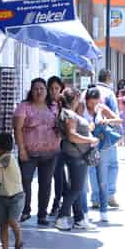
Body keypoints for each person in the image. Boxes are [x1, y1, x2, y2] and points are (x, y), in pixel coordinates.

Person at [13, 78, 60, 226]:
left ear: (46, 91)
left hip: (50, 153)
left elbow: (61, 125)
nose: (39, 91)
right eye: (36, 89)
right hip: (28, 152)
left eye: (42, 88)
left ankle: (42, 215)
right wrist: (21, 149)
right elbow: (17, 129)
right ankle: (25, 211)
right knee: (25, 181)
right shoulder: (23, 107)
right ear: (31, 91)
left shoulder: (54, 106)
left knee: (45, 184)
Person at [54, 88, 99, 231]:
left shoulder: (68, 113)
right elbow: (72, 135)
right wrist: (90, 139)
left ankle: (79, 218)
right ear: (75, 98)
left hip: (76, 154)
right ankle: (61, 217)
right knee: (76, 188)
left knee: (77, 189)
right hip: (77, 155)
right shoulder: (69, 114)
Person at [78, 86, 122, 222]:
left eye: (96, 102)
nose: (93, 106)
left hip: (102, 146)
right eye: (91, 103)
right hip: (85, 146)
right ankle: (84, 212)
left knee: (102, 180)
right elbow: (81, 124)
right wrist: (91, 121)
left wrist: (106, 120)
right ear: (86, 100)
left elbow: (119, 120)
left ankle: (104, 211)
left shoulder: (102, 107)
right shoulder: (81, 107)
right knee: (83, 181)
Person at [92, 70, 121, 209]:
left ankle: (96, 197)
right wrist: (118, 134)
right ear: (108, 78)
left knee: (93, 165)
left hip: (91, 133)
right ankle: (109, 194)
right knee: (112, 164)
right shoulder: (109, 93)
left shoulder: (90, 90)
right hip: (106, 133)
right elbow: (115, 115)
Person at [0, 133, 25, 249]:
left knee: (12, 221)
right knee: (3, 225)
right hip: (3, 197)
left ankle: (19, 240)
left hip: (15, 197)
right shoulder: (3, 158)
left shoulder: (7, 157)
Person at [46, 76, 68, 217]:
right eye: (52, 88)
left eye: (57, 88)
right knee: (58, 176)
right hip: (47, 145)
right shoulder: (45, 104)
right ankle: (64, 204)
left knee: (58, 175)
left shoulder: (64, 105)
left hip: (62, 145)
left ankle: (57, 203)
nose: (54, 91)